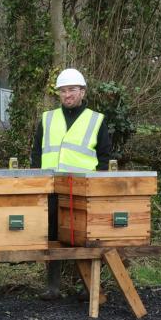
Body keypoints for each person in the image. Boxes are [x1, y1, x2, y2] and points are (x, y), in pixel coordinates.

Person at [30, 68, 111, 300]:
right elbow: (37, 153)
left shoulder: (96, 120)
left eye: (72, 90)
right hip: (52, 188)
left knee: (85, 238)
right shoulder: (48, 118)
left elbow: (104, 157)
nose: (67, 95)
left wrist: (96, 189)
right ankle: (52, 287)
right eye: (63, 91)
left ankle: (87, 287)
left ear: (82, 91)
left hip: (82, 191)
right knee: (53, 236)